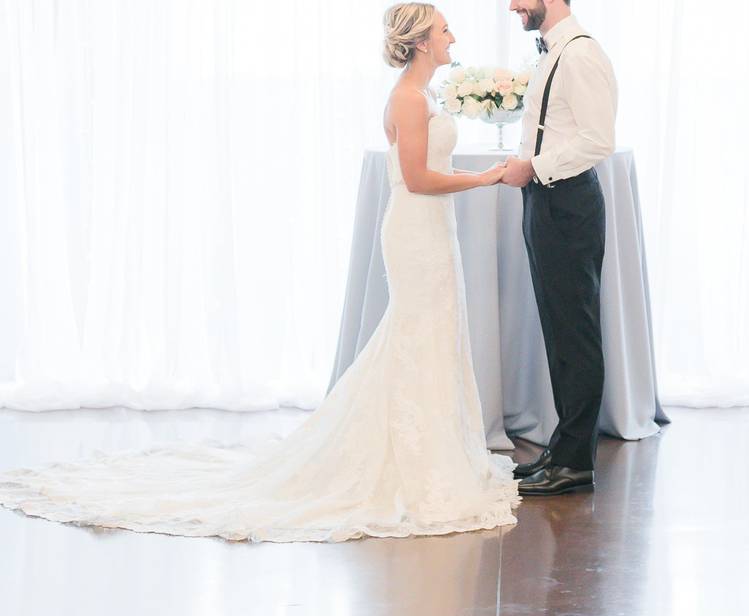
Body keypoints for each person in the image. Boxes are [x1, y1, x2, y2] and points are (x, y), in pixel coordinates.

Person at [0, 2, 520, 543]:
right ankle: (409, 467)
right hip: (415, 232)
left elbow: (428, 171)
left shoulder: (428, 95)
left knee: (430, 341)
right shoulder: (408, 99)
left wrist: (476, 179)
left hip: (436, 233)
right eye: (444, 30)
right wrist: (483, 181)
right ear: (420, 42)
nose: (453, 36)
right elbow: (415, 179)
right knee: (417, 340)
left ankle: (431, 457)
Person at [501, 0, 618, 495]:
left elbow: (598, 140)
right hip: (546, 200)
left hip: (567, 200)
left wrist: (535, 167)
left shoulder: (581, 54)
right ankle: (564, 447)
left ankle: (574, 463)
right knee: (558, 326)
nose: (513, 6)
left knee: (576, 331)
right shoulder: (555, 50)